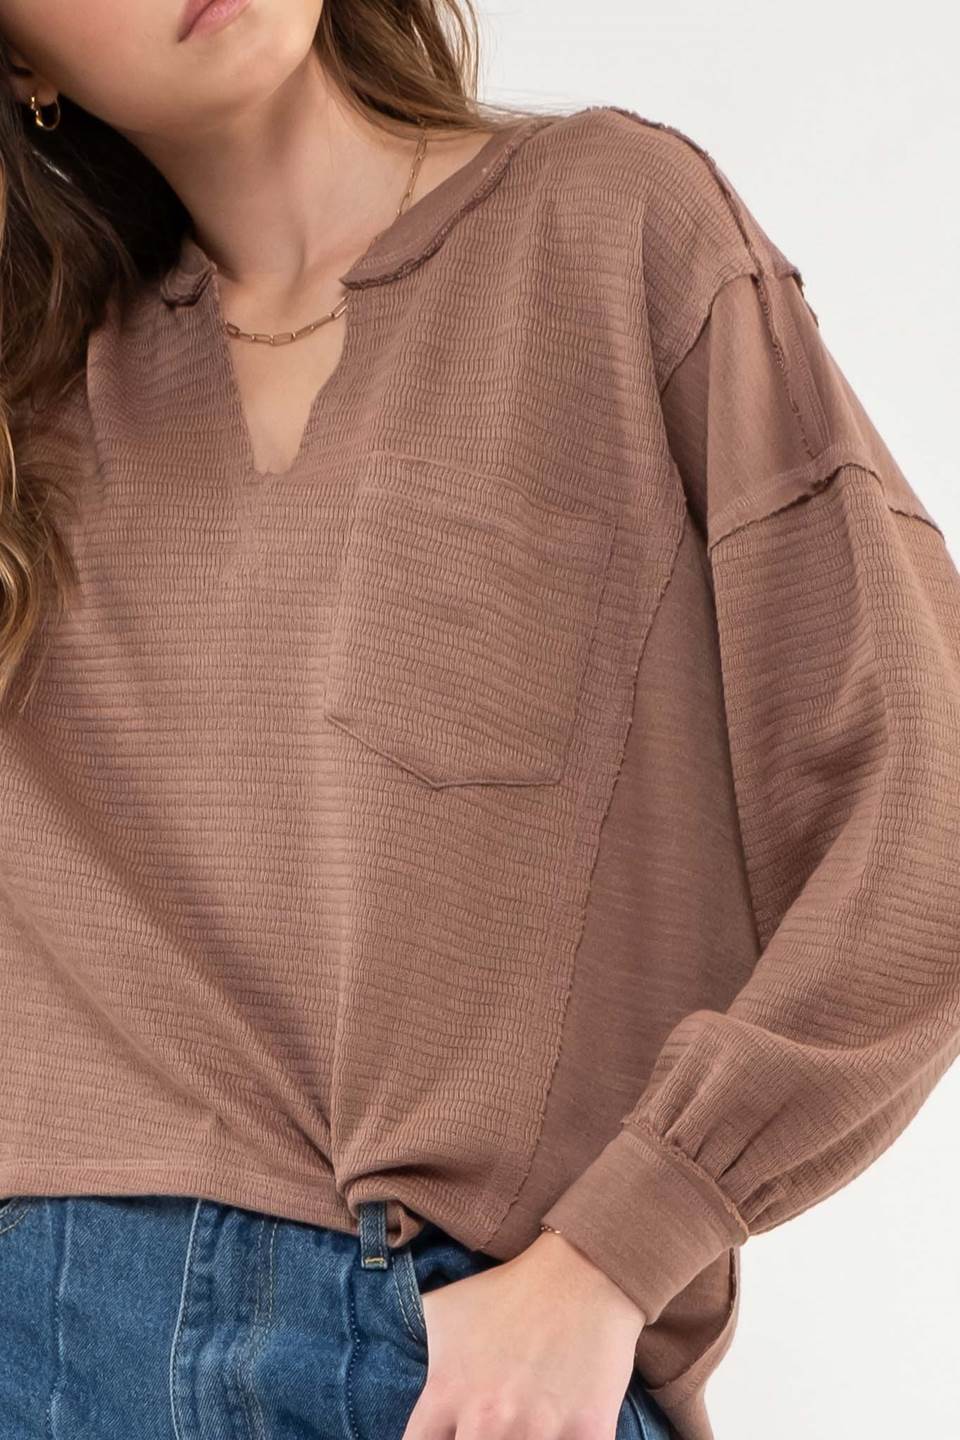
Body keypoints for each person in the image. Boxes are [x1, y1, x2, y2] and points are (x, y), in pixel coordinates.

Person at [0, 4, 957, 1440]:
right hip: (44, 1337)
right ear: (22, 60)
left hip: (469, 1356)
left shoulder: (611, 226)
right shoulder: (34, 419)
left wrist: (614, 1255)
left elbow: (925, 801)